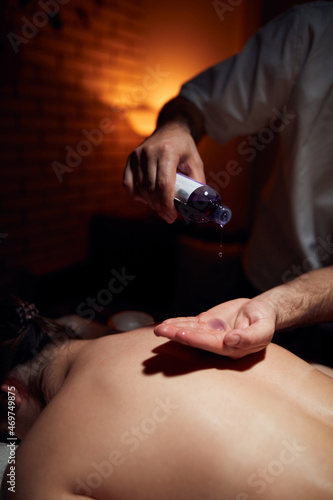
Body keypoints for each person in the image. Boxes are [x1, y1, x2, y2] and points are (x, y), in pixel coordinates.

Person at [123, 2, 333, 360]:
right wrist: (175, 127)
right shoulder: (314, 31)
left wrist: (278, 306)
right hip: (264, 280)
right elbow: (197, 102)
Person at [0, 296, 333, 499]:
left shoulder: (32, 469)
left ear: (10, 396)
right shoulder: (166, 329)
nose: (16, 439)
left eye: (9, 431)